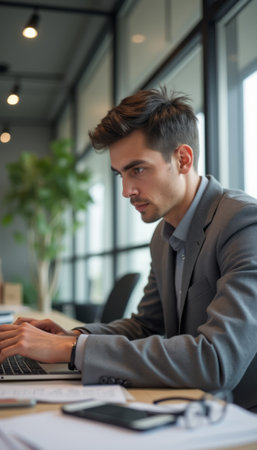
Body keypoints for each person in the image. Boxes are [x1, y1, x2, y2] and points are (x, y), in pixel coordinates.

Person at [0, 87, 257, 413]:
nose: (126, 190)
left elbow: (217, 361)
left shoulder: (243, 223)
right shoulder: (162, 236)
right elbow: (146, 326)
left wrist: (73, 348)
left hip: (237, 416)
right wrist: (70, 335)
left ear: (183, 159)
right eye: (120, 174)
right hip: (184, 403)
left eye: (137, 169)